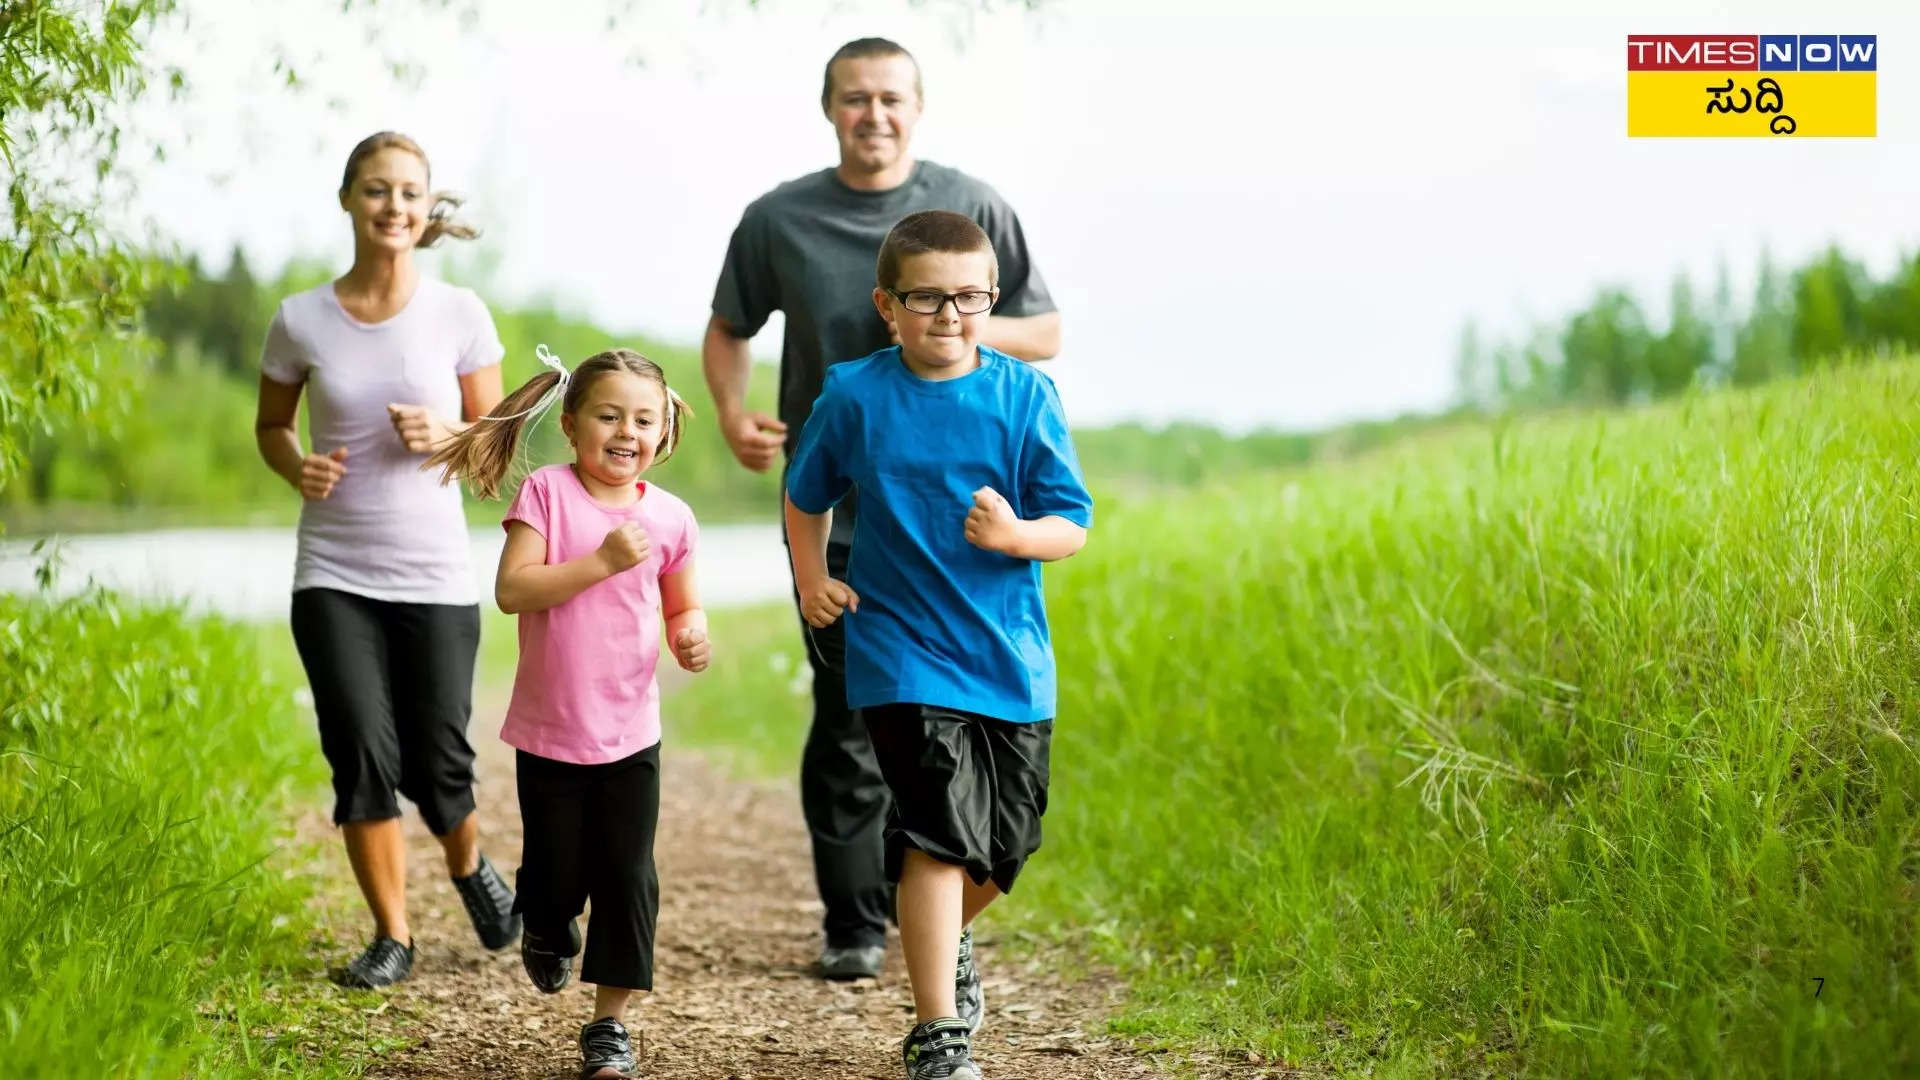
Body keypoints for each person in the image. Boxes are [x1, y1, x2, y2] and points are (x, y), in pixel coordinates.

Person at [704, 35, 1062, 981]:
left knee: (966, 761)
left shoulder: (974, 205)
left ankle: (930, 903)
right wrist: (737, 414)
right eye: (856, 99)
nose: (875, 114)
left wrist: (947, 323)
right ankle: (856, 921)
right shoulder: (779, 218)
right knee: (848, 717)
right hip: (836, 507)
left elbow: (1048, 329)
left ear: (918, 106)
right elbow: (728, 328)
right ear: (830, 108)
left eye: (892, 98)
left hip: (953, 517)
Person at [784, 210, 1092, 1080]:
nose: (950, 314)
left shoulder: (1024, 395)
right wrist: (812, 578)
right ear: (889, 304)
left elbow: (1070, 525)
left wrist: (1015, 537)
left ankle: (940, 934)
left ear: (991, 301)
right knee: (939, 840)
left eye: (969, 297)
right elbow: (806, 496)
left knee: (1006, 847)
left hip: (1010, 657)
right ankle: (937, 1035)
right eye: (927, 297)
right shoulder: (854, 394)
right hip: (898, 647)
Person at [255, 131, 518, 990]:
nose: (393, 206)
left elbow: (493, 458)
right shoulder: (300, 317)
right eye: (376, 191)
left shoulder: (460, 314)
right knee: (361, 752)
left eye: (409, 192)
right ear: (348, 201)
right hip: (332, 572)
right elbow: (271, 426)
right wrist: (297, 464)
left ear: (426, 206)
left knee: (441, 766)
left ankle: (468, 861)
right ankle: (392, 936)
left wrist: (449, 436)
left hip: (435, 577)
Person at [426, 347, 709, 1080]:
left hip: (631, 730)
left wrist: (689, 634)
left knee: (628, 874)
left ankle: (609, 1027)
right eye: (609, 415)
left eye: (643, 418)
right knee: (554, 877)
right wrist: (602, 564)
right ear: (574, 424)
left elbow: (682, 602)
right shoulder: (548, 495)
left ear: (663, 431)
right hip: (553, 731)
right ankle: (544, 927)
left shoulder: (673, 517)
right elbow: (514, 591)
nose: (626, 430)